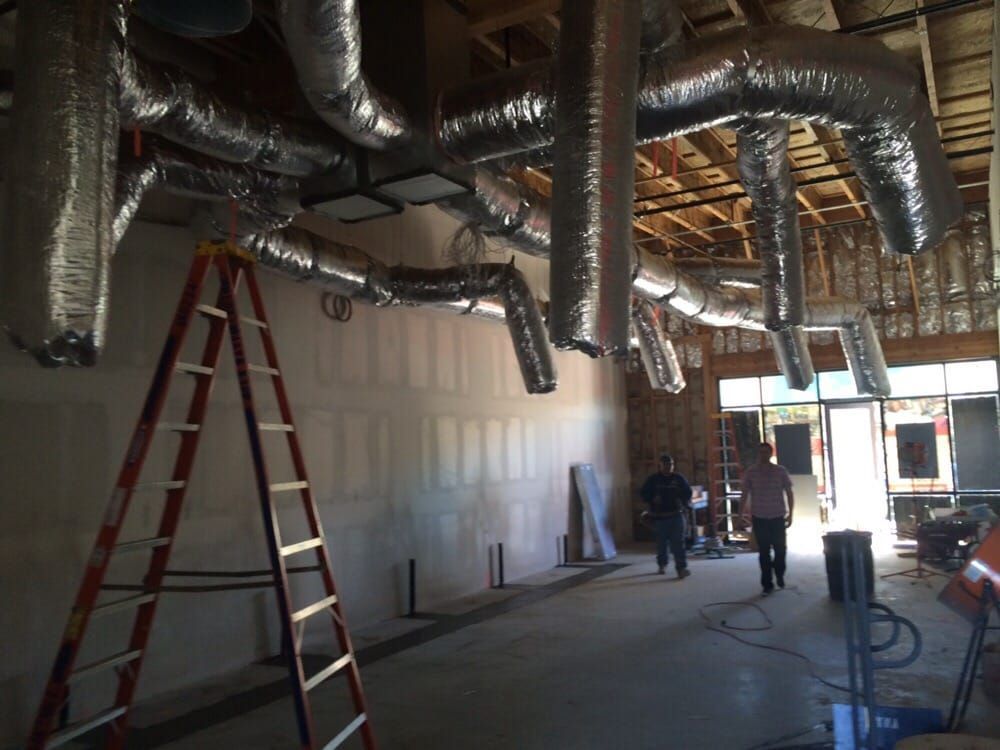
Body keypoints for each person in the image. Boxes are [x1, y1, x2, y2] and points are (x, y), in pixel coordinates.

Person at [740, 442, 795, 596]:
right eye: (761, 452)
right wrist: (739, 515)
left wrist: (791, 514)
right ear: (758, 454)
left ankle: (779, 573)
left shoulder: (780, 471)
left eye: (766, 452)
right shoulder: (751, 472)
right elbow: (744, 494)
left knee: (781, 550)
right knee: (763, 552)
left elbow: (789, 493)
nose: (763, 455)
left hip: (777, 516)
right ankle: (767, 584)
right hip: (759, 517)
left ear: (771, 454)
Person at [640, 454, 693, 578]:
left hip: (676, 515)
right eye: (666, 464)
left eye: (671, 464)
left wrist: (684, 502)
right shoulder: (653, 480)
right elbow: (643, 494)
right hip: (659, 517)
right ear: (660, 466)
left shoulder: (679, 479)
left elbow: (687, 492)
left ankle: (681, 568)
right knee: (661, 544)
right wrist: (652, 499)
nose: (669, 467)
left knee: (678, 544)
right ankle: (662, 564)